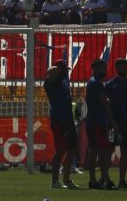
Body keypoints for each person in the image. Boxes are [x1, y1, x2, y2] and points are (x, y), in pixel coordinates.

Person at [104, 58, 127, 190]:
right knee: (109, 150)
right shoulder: (111, 84)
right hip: (113, 123)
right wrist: (111, 121)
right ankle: (105, 177)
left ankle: (122, 180)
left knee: (124, 151)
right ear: (117, 68)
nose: (126, 68)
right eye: (123, 66)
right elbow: (107, 104)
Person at [43, 60, 79, 190]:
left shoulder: (63, 82)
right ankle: (55, 181)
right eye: (64, 70)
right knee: (60, 150)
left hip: (68, 120)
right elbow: (50, 71)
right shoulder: (51, 82)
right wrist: (59, 68)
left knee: (72, 148)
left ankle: (67, 179)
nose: (66, 72)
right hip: (59, 121)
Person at [85, 58, 116, 190]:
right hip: (97, 122)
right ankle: (105, 180)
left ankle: (94, 180)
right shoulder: (95, 84)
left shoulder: (93, 83)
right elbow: (105, 104)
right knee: (102, 151)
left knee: (94, 150)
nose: (105, 70)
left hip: (93, 121)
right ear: (96, 68)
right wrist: (113, 122)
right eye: (103, 68)